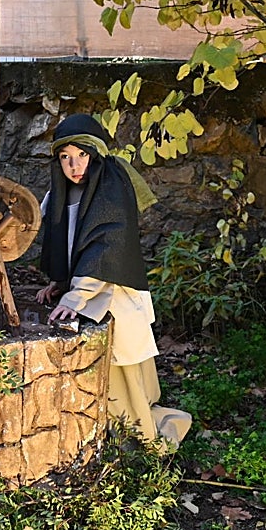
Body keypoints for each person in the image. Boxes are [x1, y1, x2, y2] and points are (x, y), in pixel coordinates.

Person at [35, 113, 191, 446]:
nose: (74, 165)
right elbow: (64, 240)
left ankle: (141, 444)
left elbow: (104, 247)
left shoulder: (110, 189)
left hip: (113, 291)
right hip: (86, 288)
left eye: (82, 155)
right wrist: (60, 283)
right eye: (65, 157)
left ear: (95, 154)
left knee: (123, 379)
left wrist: (75, 297)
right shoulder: (61, 192)